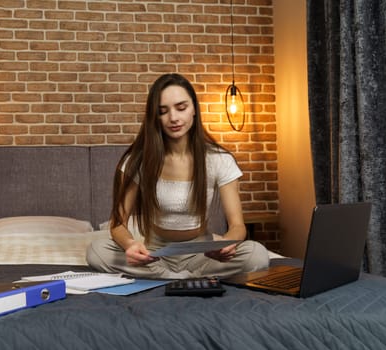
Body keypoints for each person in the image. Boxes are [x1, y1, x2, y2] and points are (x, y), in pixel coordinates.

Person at [87, 73, 269, 279]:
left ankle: (166, 277)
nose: (173, 118)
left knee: (257, 255)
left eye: (181, 108)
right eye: (163, 111)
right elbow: (118, 223)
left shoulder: (219, 159)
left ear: (194, 110)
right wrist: (130, 245)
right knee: (96, 251)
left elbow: (237, 226)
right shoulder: (137, 160)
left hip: (202, 253)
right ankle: (186, 277)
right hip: (155, 254)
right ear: (154, 116)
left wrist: (227, 243)